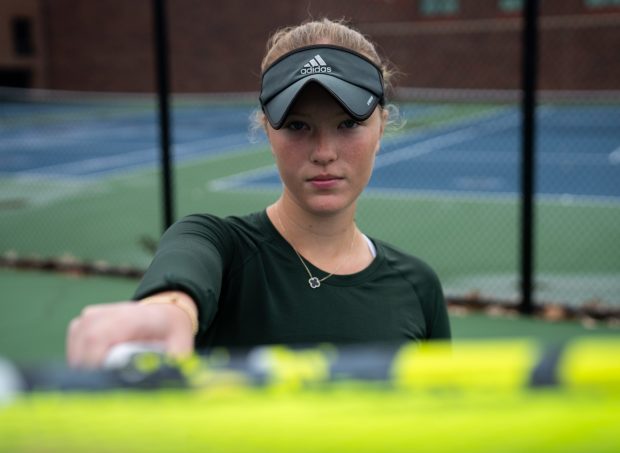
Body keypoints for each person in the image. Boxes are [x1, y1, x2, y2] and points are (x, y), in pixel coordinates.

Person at [66, 18, 451, 369]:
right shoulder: (220, 246)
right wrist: (168, 311)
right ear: (267, 130)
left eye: (349, 123)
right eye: (298, 126)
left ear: (381, 127)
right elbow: (184, 270)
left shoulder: (418, 286)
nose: (324, 153)